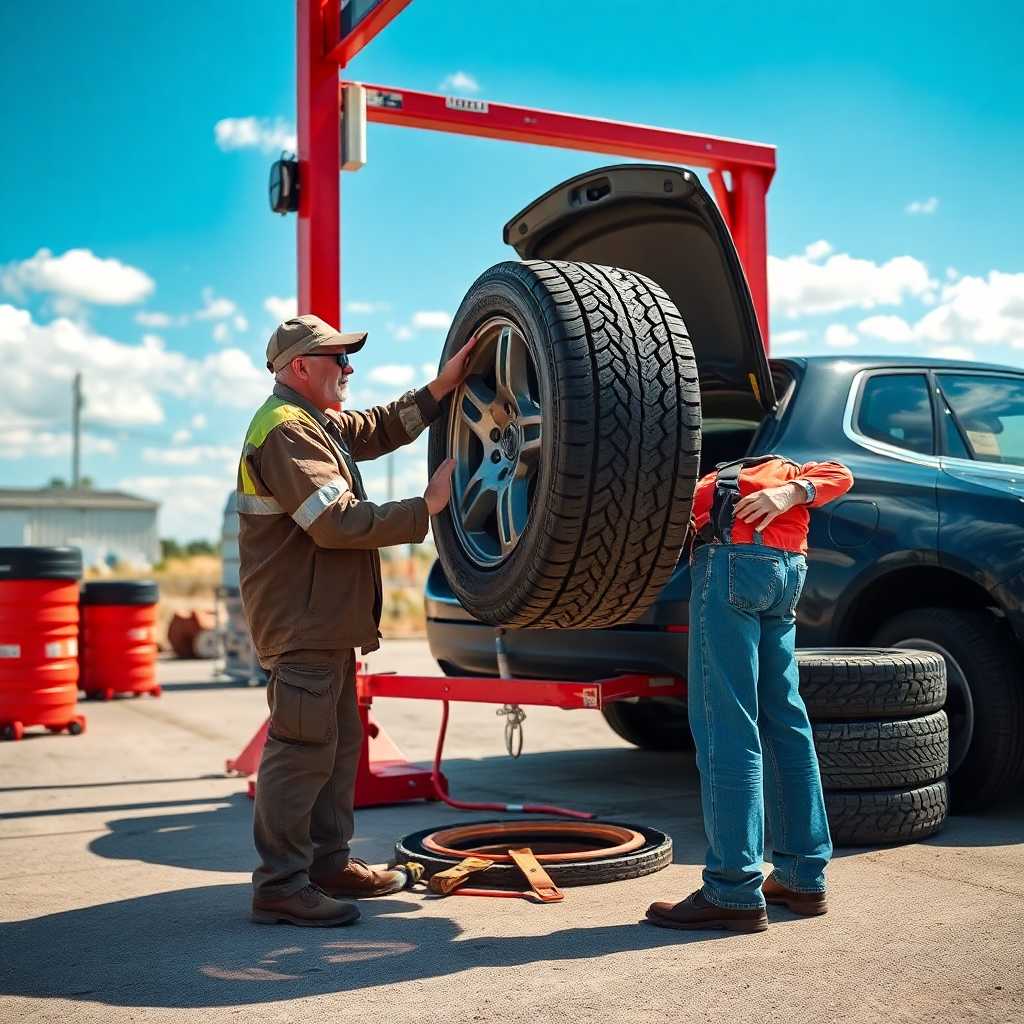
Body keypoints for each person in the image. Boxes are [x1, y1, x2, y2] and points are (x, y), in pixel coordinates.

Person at [238, 314, 474, 928]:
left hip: (326, 621)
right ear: (300, 368)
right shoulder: (286, 433)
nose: (349, 369)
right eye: (337, 359)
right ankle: (281, 885)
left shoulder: (315, 424)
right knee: (299, 749)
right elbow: (335, 522)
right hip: (303, 622)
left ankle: (327, 863)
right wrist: (425, 507)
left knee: (335, 748)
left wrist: (440, 388)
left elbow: (373, 427)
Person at [646, 454, 854, 933]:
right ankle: (804, 878)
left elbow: (841, 471)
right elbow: (838, 474)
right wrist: (792, 493)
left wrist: (783, 494)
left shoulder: (715, 479)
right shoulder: (790, 469)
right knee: (786, 721)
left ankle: (733, 889)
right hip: (787, 573)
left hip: (731, 567)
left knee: (727, 724)